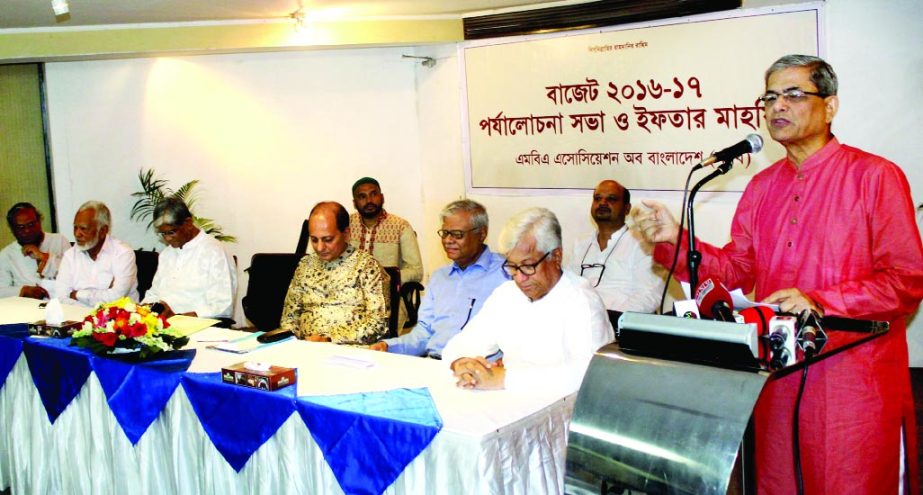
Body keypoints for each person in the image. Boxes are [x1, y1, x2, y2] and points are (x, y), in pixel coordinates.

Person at [636, 54, 923, 494]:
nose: (777, 107)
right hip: (779, 381)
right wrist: (679, 239)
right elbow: (737, 271)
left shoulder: (875, 177)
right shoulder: (761, 186)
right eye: (769, 97)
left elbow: (905, 281)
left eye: (793, 94)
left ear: (830, 106)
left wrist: (822, 301)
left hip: (853, 389)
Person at [441, 207, 614, 394]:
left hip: (562, 411)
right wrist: (463, 364)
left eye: (528, 266)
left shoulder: (581, 300)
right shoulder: (506, 294)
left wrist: (503, 378)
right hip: (510, 401)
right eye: (512, 267)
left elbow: (587, 375)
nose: (519, 278)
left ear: (556, 257)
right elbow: (459, 345)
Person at [369, 200, 509, 358]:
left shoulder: (507, 273)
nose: (448, 240)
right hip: (434, 364)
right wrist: (388, 346)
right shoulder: (439, 278)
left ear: (481, 234)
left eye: (457, 235)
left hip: (479, 371)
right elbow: (424, 334)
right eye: (445, 233)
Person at [280, 201, 388, 344]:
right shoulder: (305, 265)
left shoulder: (367, 266)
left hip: (350, 351)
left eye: (328, 239)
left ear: (346, 234)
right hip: (306, 349)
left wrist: (330, 339)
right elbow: (289, 319)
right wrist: (297, 343)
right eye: (314, 240)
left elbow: (378, 325)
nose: (320, 247)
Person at [570, 180, 665, 313]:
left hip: (620, 325)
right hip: (580, 322)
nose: (602, 203)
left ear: (627, 208)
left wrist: (608, 320)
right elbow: (570, 288)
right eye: (597, 198)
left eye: (611, 199)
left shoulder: (643, 243)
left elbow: (648, 296)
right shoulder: (581, 243)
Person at [140, 197, 237, 320]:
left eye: (171, 232)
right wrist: (145, 308)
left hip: (202, 328)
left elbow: (222, 306)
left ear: (188, 223)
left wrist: (177, 318)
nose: (167, 239)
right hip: (164, 324)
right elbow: (154, 293)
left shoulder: (214, 252)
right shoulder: (167, 254)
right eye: (163, 234)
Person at [56, 201, 140, 306]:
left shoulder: (123, 254)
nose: (77, 234)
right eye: (75, 227)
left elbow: (117, 298)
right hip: (78, 316)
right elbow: (61, 297)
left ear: (103, 231)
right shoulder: (70, 255)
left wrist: (77, 294)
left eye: (83, 229)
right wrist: (103, 296)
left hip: (119, 318)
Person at [349, 177, 423, 284]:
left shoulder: (400, 226)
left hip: (388, 296)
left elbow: (416, 271)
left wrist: (384, 278)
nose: (369, 200)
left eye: (373, 194)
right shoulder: (345, 225)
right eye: (362, 197)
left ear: (382, 198)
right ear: (354, 203)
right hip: (349, 295)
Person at [0, 202, 71, 299]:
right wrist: (23, 290)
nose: (27, 230)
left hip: (63, 303)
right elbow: (1, 290)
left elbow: (75, 274)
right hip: (28, 308)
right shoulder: (6, 255)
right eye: (21, 227)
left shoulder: (59, 240)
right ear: (12, 229)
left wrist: (43, 257)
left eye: (31, 224)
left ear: (39, 221)